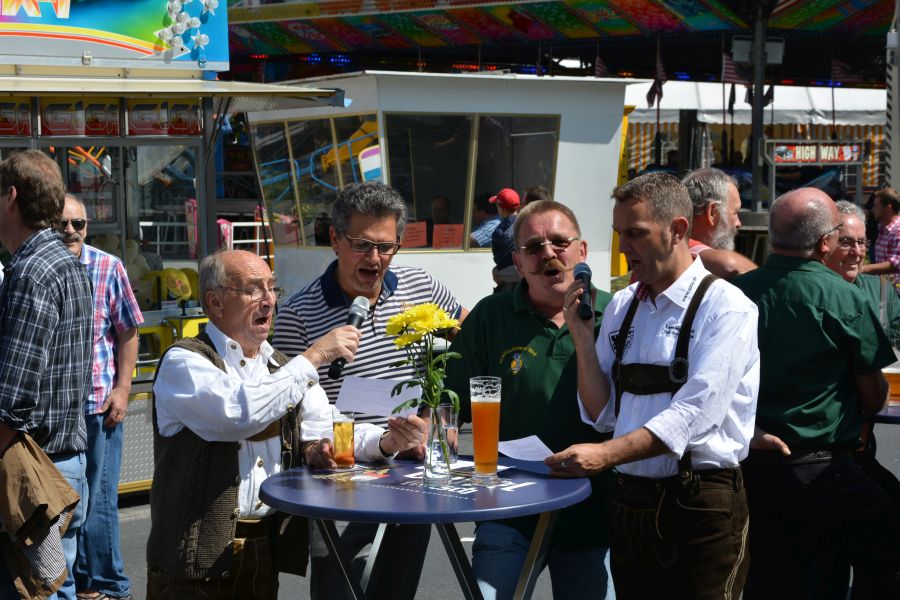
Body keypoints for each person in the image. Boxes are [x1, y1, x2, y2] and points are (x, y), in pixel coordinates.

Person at [148, 249, 426, 600]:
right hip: (194, 562)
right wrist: (315, 355)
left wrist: (388, 441)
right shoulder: (185, 361)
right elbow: (239, 413)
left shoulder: (280, 368)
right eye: (253, 289)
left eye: (272, 288)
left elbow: (331, 427)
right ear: (215, 302)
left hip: (262, 552)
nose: (269, 300)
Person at [546, 172, 759, 599]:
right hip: (631, 502)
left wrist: (605, 455)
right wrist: (583, 340)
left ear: (677, 229)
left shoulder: (726, 306)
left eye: (636, 233)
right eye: (619, 233)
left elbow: (695, 416)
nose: (623, 247)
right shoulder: (623, 305)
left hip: (700, 502)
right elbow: (603, 414)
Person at [272, 181, 465, 600]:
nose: (375, 259)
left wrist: (441, 417)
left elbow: (469, 345)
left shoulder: (421, 287)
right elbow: (284, 406)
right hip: (343, 477)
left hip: (411, 470)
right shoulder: (297, 315)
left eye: (386, 247)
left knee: (396, 590)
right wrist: (313, 446)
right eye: (362, 245)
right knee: (339, 591)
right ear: (335, 239)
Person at [733, 188, 900, 599]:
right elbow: (874, 396)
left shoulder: (735, 292)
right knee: (884, 543)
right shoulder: (843, 295)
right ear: (825, 242)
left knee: (771, 574)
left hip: (747, 465)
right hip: (820, 464)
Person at [445, 199, 615, 600]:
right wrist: (436, 439)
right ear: (518, 264)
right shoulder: (490, 316)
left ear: (581, 250)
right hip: (509, 511)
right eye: (534, 247)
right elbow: (450, 405)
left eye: (559, 242)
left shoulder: (616, 312)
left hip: (595, 516)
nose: (548, 254)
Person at [0, 150, 94, 600]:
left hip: (34, 475)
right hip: (60, 466)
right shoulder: (64, 262)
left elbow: (12, 398)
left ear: (10, 198)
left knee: (36, 592)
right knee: (56, 588)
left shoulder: (32, 271)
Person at [59, 194, 143, 600]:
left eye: (78, 223)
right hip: (56, 413)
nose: (71, 230)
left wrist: (123, 390)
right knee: (66, 504)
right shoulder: (40, 268)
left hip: (99, 407)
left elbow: (128, 332)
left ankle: (109, 585)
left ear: (87, 227)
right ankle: (80, 583)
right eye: (62, 224)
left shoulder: (109, 267)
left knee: (101, 502)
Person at [682, 167, 756, 279]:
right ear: (712, 212)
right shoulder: (682, 248)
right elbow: (730, 266)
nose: (739, 223)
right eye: (735, 212)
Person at [861, 187, 900, 292]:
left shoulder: (897, 230)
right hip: (886, 290)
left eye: (876, 206)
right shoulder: (883, 228)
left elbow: (896, 263)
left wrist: (863, 269)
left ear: (888, 208)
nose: (872, 210)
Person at [489, 187, 521, 293]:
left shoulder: (499, 231)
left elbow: (498, 258)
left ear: (501, 209)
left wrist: (498, 271)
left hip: (506, 278)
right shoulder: (527, 224)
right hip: (526, 274)